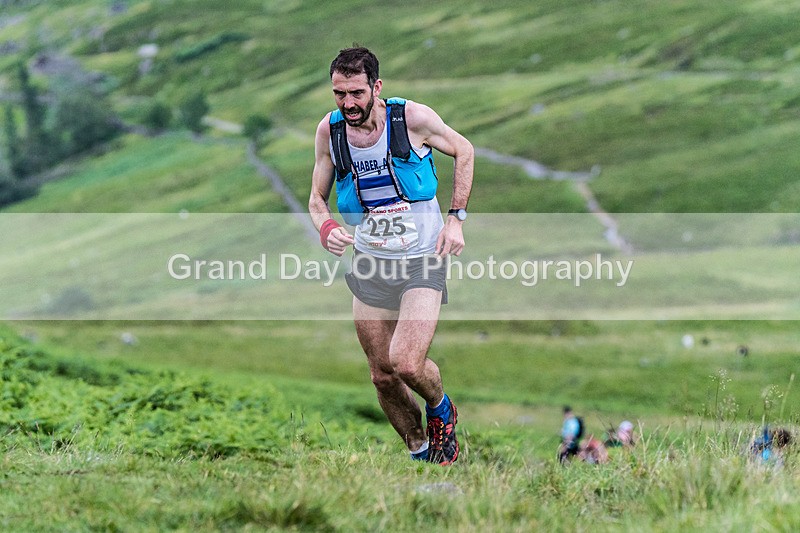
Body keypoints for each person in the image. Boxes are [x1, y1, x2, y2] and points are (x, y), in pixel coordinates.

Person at [308, 46, 474, 465]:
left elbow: (464, 150)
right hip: (370, 261)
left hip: (422, 257)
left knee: (405, 362)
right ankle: (422, 455)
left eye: (357, 93)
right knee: (382, 375)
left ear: (376, 87)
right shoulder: (330, 133)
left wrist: (455, 218)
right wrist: (326, 227)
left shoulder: (411, 119)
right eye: (339, 94)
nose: (348, 103)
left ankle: (441, 407)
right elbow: (315, 200)